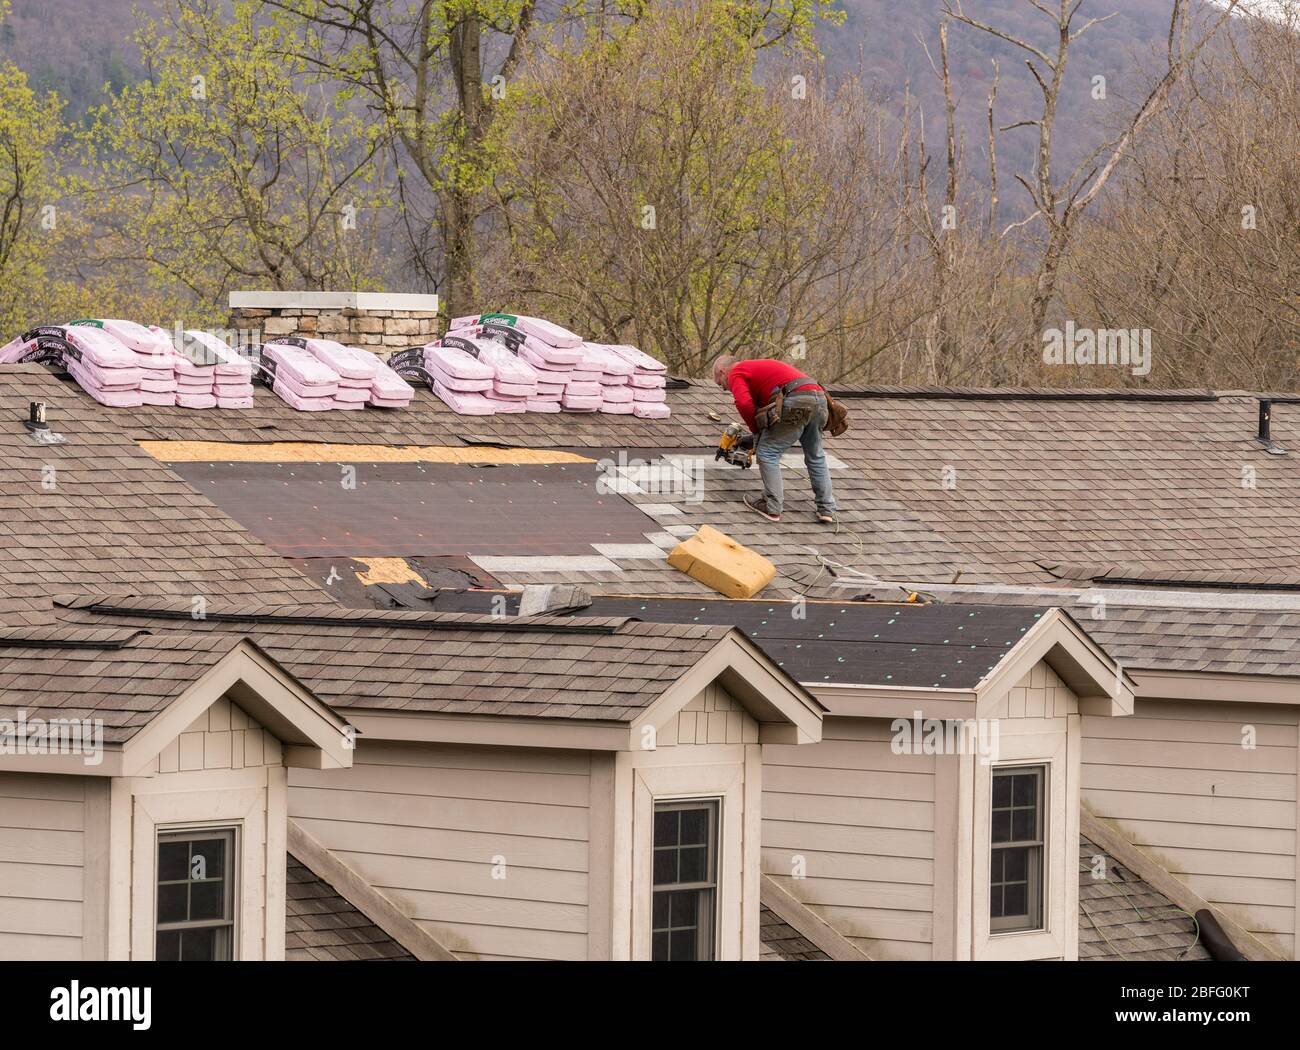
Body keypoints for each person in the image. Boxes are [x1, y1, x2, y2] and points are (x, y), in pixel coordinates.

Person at [713, 355, 837, 524]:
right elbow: (770, 417)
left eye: (721, 383)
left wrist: (756, 432)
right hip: (819, 397)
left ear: (723, 372)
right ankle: (826, 509)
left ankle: (771, 506)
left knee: (767, 452)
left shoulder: (735, 372)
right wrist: (755, 436)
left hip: (796, 399)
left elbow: (744, 403)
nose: (724, 389)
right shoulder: (756, 371)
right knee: (815, 454)